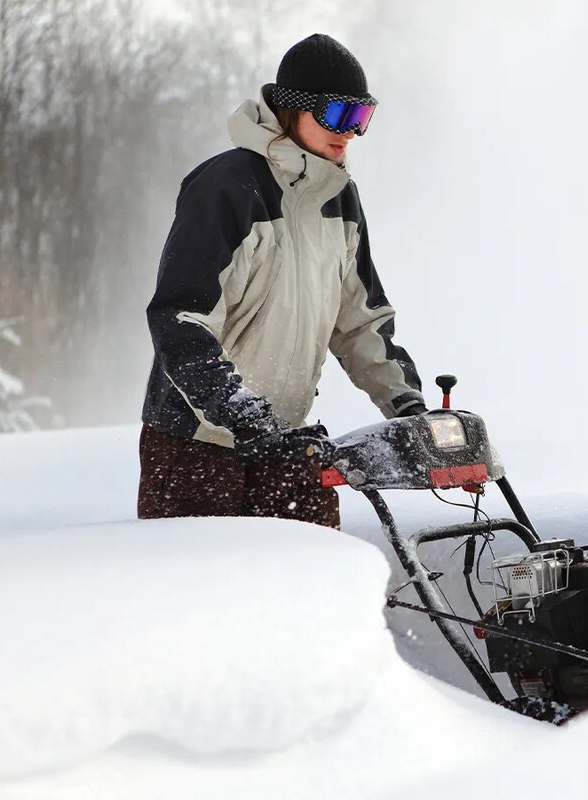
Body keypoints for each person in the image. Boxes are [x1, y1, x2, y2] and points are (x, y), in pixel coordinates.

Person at [138, 34, 426, 530]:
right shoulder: (227, 188)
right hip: (198, 444)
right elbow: (180, 318)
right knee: (204, 596)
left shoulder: (340, 199)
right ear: (293, 110)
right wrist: (234, 407)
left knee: (310, 582)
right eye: (339, 116)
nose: (350, 133)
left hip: (282, 440)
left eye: (361, 119)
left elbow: (360, 323)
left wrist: (407, 408)